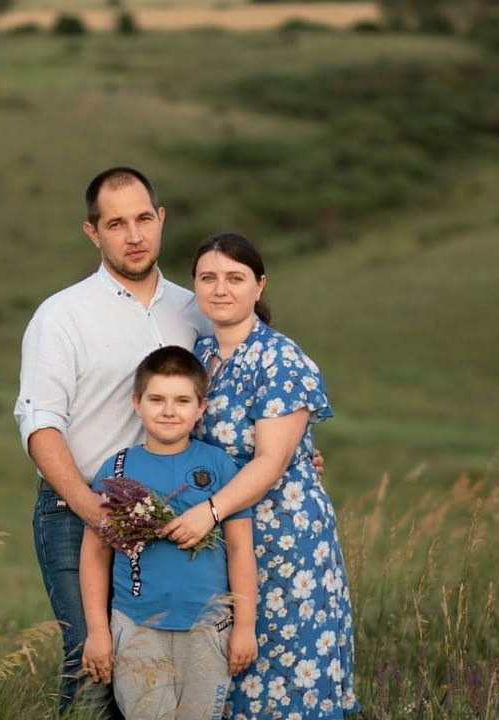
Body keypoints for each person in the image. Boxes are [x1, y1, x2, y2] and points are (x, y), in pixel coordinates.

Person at [14, 167, 209, 715]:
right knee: (93, 666)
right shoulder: (62, 316)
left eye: (144, 219)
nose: (134, 235)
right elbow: (39, 419)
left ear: (161, 219)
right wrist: (86, 504)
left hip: (176, 515)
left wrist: (291, 451)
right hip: (77, 510)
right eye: (116, 223)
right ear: (92, 232)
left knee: (160, 672)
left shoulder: (194, 308)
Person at [160, 232, 358, 719]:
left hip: (283, 541)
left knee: (288, 678)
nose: (220, 289)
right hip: (223, 541)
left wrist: (207, 511)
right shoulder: (199, 356)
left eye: (235, 278)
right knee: (228, 679)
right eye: (208, 278)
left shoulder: (280, 360)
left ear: (259, 286)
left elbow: (270, 462)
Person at [80, 346, 258, 720]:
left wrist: (245, 626)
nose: (168, 410)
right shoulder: (118, 468)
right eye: (156, 399)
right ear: (136, 403)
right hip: (137, 624)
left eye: (181, 400)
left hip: (208, 626)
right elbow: (96, 553)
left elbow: (241, 550)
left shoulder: (219, 465)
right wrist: (99, 631)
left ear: (201, 407)